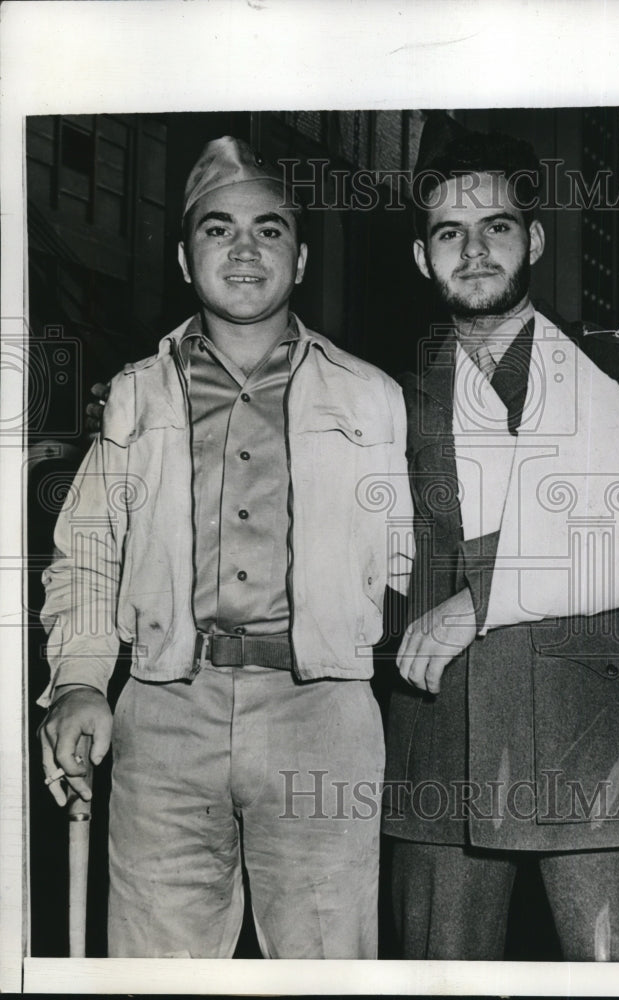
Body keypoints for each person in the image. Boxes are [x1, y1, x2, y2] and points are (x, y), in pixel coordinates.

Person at [37, 136, 413, 959]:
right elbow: (91, 551)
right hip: (166, 711)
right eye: (218, 229)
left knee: (328, 971)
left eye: (269, 229)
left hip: (323, 713)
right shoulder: (136, 394)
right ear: (182, 255)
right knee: (156, 973)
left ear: (301, 257)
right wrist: (76, 681)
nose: (244, 248)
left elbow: (402, 559)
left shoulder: (372, 397)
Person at [383, 113, 619, 962]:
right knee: (434, 979)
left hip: (600, 726)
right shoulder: (397, 392)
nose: (473, 248)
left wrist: (481, 597)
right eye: (448, 233)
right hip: (441, 733)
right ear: (423, 257)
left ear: (532, 239)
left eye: (495, 227)